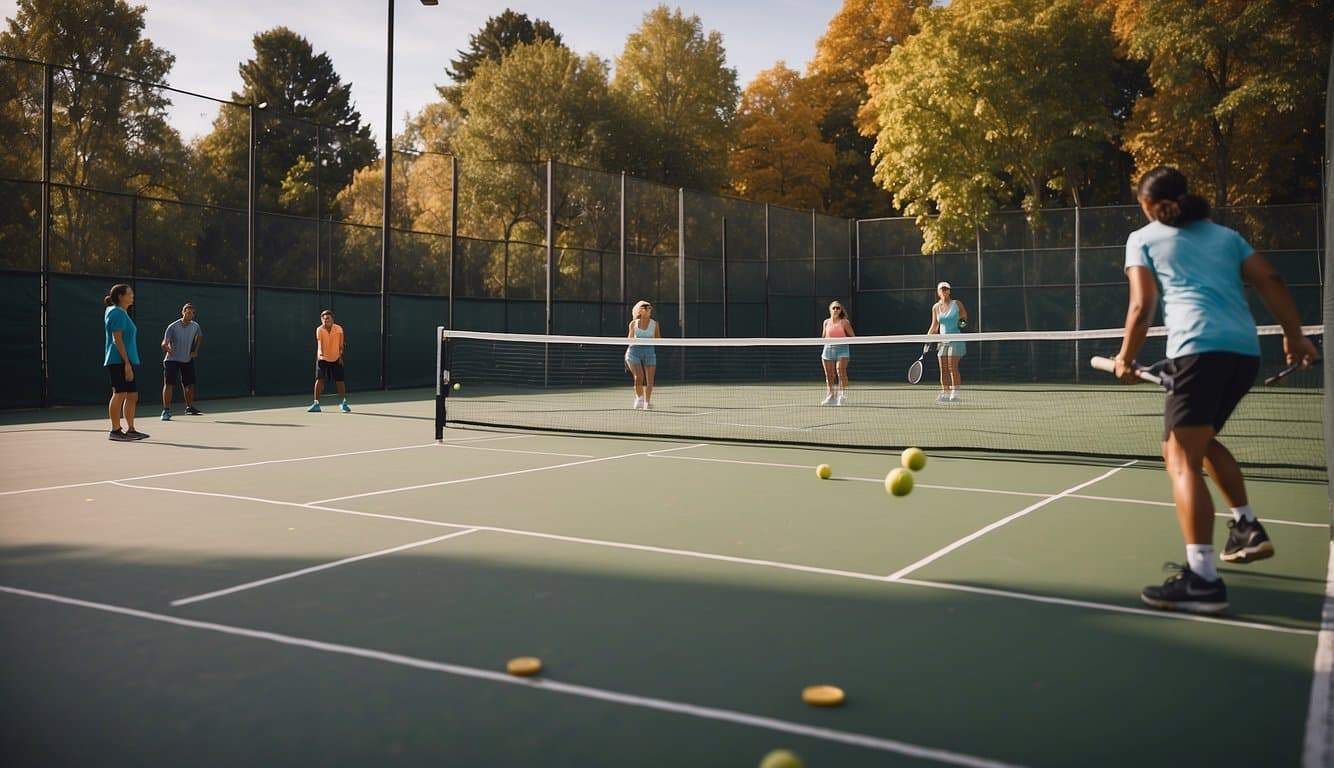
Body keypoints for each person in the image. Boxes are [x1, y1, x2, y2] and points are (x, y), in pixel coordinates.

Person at [1114, 166, 1318, 614]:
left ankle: (1203, 579)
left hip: (1197, 352)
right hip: (1243, 354)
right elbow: (1271, 280)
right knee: (1197, 442)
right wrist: (1295, 335)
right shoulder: (1226, 237)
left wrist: (1126, 359)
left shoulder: (1143, 237)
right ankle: (1245, 526)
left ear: (1147, 205)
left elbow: (1141, 305)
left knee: (1179, 457)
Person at [103, 284, 148, 441]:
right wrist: (126, 363)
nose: (132, 295)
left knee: (132, 395)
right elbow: (117, 338)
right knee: (119, 393)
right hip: (118, 360)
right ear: (121, 296)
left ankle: (131, 430)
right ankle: (115, 431)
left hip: (125, 360)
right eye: (130, 293)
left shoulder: (121, 312)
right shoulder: (116, 312)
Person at [926, 281, 968, 403]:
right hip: (942, 341)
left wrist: (959, 325)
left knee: (952, 367)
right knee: (943, 368)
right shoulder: (935, 307)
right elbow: (934, 326)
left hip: (956, 339)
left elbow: (964, 318)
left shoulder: (957, 304)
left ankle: (955, 393)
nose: (944, 291)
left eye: (946, 289)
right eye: (942, 289)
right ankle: (945, 393)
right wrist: (927, 340)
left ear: (949, 291)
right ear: (938, 292)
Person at [160, 303, 203, 420]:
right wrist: (167, 347)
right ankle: (166, 410)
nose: (189, 314)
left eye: (191, 313)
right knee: (169, 384)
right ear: (183, 312)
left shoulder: (196, 326)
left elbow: (199, 337)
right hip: (171, 360)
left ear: (194, 314)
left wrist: (195, 350)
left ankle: (189, 407)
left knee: (189, 385)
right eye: (187, 312)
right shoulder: (172, 326)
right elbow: (164, 342)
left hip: (187, 360)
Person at [310, 309, 350, 413]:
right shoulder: (319, 329)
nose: (325, 320)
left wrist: (340, 356)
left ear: (332, 319)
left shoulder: (339, 329)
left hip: (336, 358)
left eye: (327, 318)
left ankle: (343, 403)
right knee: (319, 379)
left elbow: (341, 345)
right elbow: (319, 343)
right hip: (322, 358)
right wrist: (320, 354)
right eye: (323, 318)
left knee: (340, 381)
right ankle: (316, 404)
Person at [625, 300, 660, 410]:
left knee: (650, 381)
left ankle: (647, 403)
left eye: (650, 308)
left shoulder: (655, 324)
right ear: (640, 310)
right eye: (646, 307)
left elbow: (658, 339)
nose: (649, 309)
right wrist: (637, 340)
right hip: (634, 352)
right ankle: (639, 398)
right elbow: (629, 340)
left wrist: (650, 342)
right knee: (639, 377)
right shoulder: (633, 324)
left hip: (649, 352)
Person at [820, 301, 855, 405]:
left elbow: (853, 336)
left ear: (841, 310)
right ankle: (831, 396)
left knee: (840, 371)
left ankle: (841, 395)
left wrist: (843, 341)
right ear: (830, 309)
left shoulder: (845, 322)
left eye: (838, 308)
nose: (836, 310)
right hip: (828, 349)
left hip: (842, 349)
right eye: (834, 308)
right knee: (829, 375)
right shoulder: (826, 322)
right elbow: (823, 337)